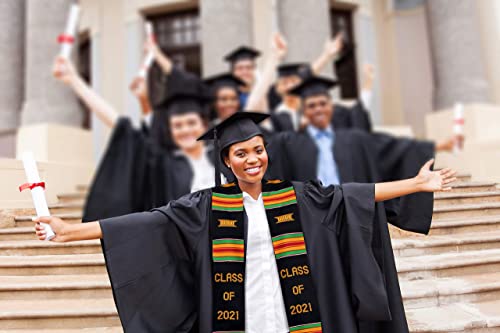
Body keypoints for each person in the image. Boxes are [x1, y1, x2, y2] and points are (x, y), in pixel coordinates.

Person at [34, 112, 456, 333]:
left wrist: (417, 185)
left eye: (258, 149)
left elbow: (355, 196)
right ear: (227, 161)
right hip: (242, 310)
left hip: (294, 306)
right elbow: (146, 224)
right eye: (241, 153)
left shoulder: (296, 195)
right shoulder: (204, 205)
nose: (253, 159)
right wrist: (70, 230)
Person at [51, 57, 231, 222]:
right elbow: (120, 124)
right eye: (177, 125)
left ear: (204, 124)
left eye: (191, 123)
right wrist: (75, 81)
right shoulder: (165, 164)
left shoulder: (224, 156)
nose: (185, 130)